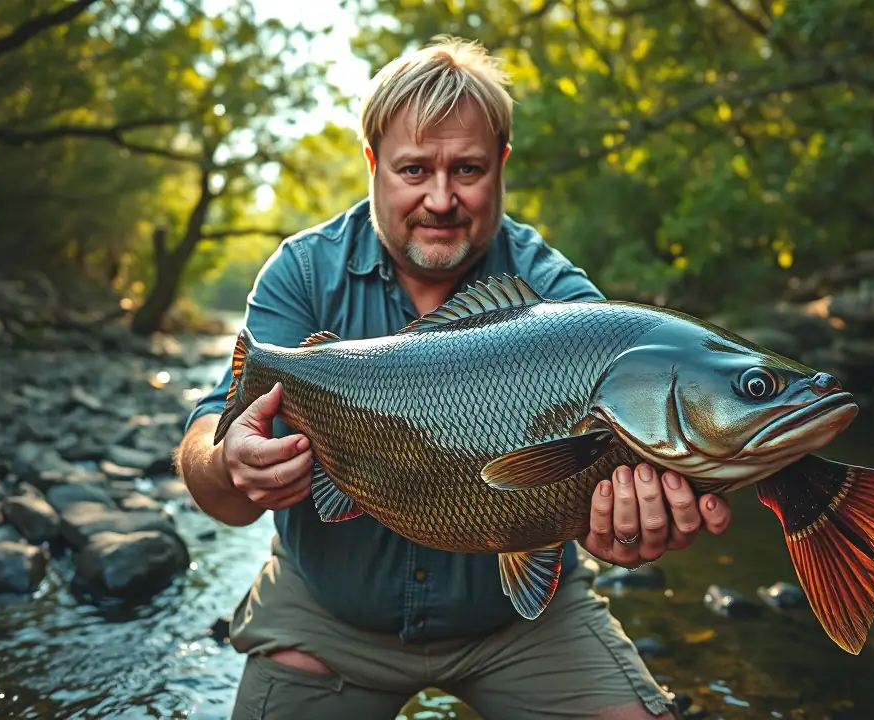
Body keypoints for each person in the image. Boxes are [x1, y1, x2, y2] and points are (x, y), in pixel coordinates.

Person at [175, 35, 733, 720]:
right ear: (374, 164)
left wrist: (622, 532)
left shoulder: (562, 298)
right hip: (327, 615)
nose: (441, 199)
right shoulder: (301, 273)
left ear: (500, 166)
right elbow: (216, 481)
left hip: (523, 621)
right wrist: (230, 460)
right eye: (414, 170)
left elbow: (601, 497)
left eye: (466, 169)